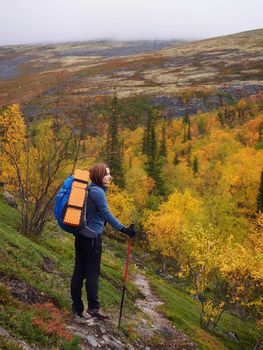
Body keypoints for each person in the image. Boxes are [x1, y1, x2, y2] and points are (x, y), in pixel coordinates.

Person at [70, 163, 136, 320]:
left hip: (81, 236)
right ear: (99, 176)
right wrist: (124, 229)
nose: (110, 176)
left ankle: (77, 309)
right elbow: (106, 214)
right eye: (107, 174)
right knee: (92, 273)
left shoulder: (90, 190)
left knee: (79, 271)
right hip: (92, 239)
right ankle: (93, 308)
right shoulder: (97, 192)